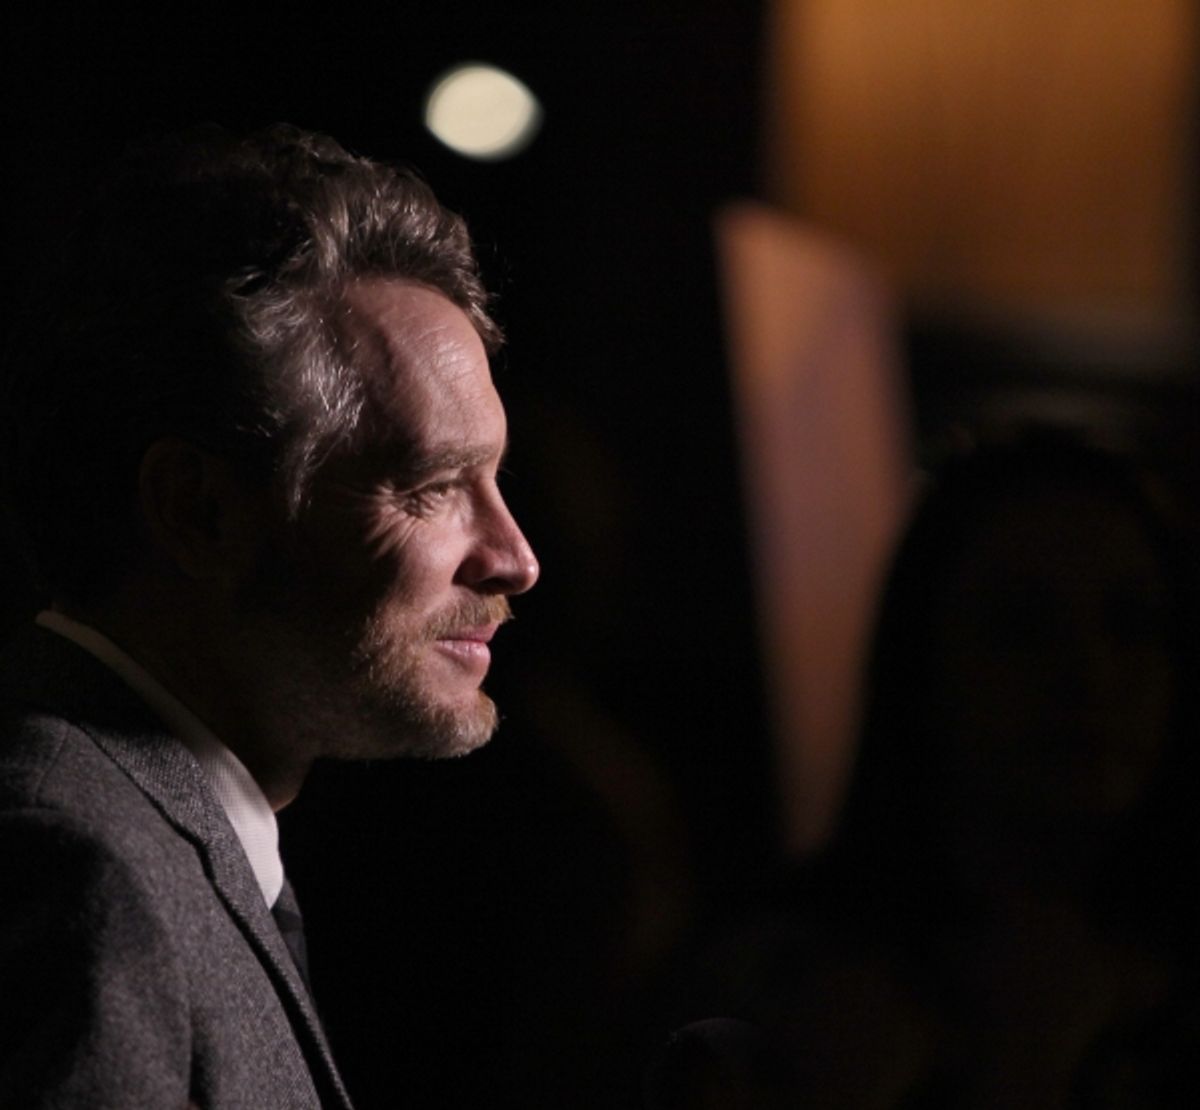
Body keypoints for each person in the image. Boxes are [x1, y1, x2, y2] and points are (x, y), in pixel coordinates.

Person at [0, 124, 539, 1108]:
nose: (515, 559)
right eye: (431, 485)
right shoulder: (79, 870)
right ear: (200, 511)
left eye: (495, 479)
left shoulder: (143, 837)